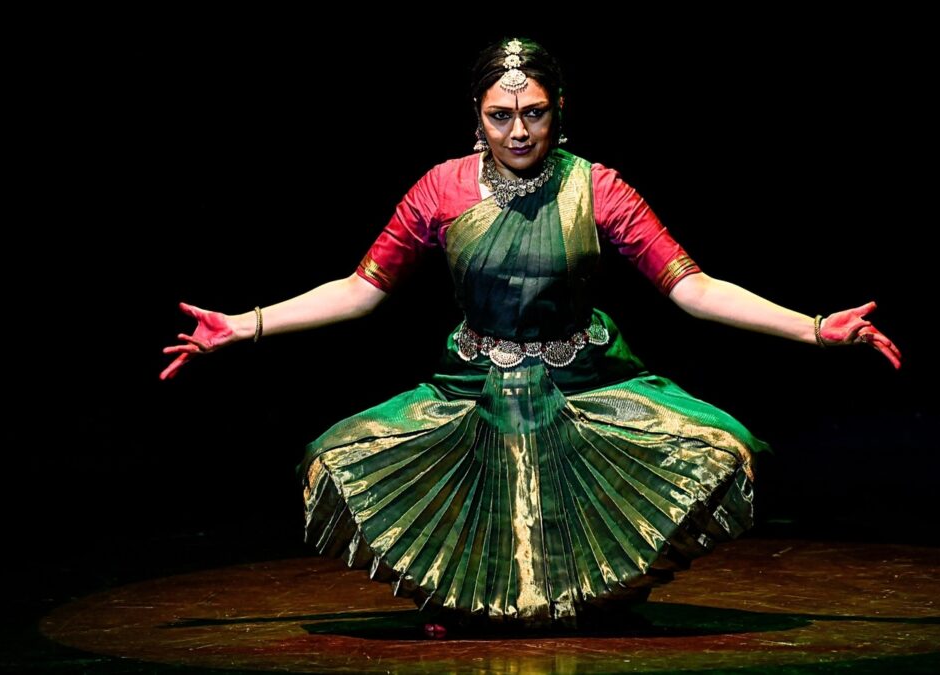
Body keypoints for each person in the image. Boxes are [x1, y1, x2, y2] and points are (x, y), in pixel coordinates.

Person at [161, 38, 901, 636]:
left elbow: (694, 288)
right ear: (476, 118)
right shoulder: (441, 190)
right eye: (500, 116)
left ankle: (599, 597)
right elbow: (360, 291)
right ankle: (466, 603)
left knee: (724, 448)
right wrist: (244, 324)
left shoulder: (597, 187)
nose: (519, 131)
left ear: (560, 112)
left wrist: (812, 328)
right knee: (333, 459)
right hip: (475, 386)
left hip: (584, 383)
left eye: (536, 114)